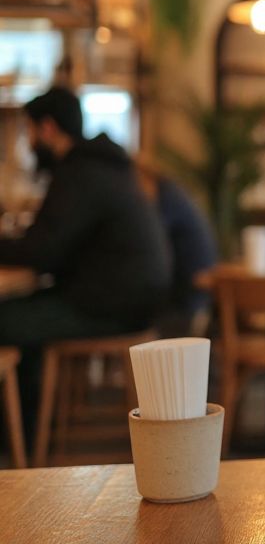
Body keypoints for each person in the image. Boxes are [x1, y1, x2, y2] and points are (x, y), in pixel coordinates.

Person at [0, 87, 170, 436]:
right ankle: (27, 434)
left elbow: (41, 251)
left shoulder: (79, 173)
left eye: (29, 132)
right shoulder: (102, 165)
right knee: (20, 315)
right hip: (134, 300)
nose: (29, 143)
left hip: (110, 306)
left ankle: (20, 440)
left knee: (7, 318)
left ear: (47, 128)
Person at [135, 158, 219, 338]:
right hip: (195, 292)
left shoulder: (166, 203)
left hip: (190, 296)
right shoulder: (174, 195)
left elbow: (154, 252)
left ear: (146, 179)